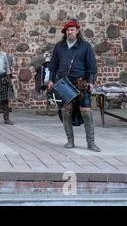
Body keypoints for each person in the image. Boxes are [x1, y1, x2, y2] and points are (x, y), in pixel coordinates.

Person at [48, 19, 100, 152]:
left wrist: (91, 82)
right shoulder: (59, 46)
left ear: (77, 31)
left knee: (86, 112)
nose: (70, 32)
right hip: (64, 83)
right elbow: (53, 65)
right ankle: (70, 140)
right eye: (68, 30)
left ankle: (91, 142)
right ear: (65, 32)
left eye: (72, 29)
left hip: (81, 83)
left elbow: (92, 67)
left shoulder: (85, 46)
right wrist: (51, 80)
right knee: (67, 112)